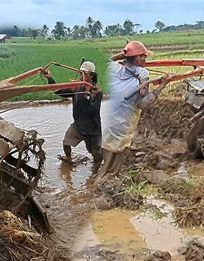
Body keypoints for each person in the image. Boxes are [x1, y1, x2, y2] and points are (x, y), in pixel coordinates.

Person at [97, 41, 169, 177]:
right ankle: (104, 185)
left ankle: (97, 176)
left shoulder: (114, 69)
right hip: (122, 127)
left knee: (106, 154)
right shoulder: (140, 78)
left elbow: (109, 60)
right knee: (111, 169)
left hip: (108, 123)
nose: (145, 60)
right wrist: (162, 86)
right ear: (138, 58)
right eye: (144, 57)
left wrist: (124, 54)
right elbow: (144, 104)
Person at [42, 61, 103, 174]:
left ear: (92, 75)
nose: (82, 76)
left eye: (85, 73)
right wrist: (50, 78)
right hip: (78, 125)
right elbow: (60, 92)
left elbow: (93, 111)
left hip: (92, 129)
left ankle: (95, 175)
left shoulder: (96, 91)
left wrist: (90, 96)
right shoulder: (76, 87)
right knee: (66, 142)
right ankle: (69, 158)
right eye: (81, 73)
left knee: (96, 154)